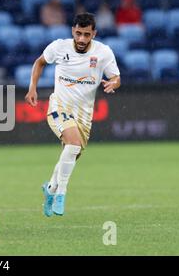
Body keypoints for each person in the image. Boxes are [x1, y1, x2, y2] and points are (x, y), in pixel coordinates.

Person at [25, 13, 120, 216]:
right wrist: (32, 87)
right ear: (72, 31)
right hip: (59, 106)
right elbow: (39, 62)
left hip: (84, 114)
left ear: (94, 33)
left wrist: (114, 83)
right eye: (78, 33)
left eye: (87, 34)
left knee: (71, 153)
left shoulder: (103, 52)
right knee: (73, 144)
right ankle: (61, 193)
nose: (82, 39)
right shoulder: (59, 47)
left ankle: (50, 188)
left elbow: (116, 77)